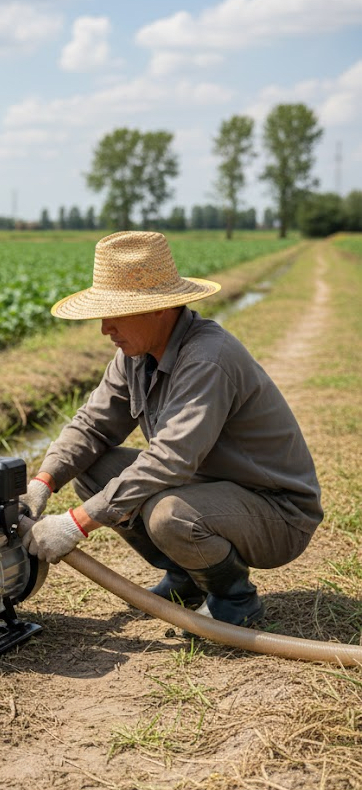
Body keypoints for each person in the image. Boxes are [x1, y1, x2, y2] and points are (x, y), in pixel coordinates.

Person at [20, 231, 322, 628]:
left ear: (158, 308)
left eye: (116, 313)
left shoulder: (207, 359)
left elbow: (170, 461)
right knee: (92, 470)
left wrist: (75, 524)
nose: (105, 328)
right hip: (209, 489)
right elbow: (92, 425)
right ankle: (188, 580)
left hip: (276, 511)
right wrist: (42, 483)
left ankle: (234, 600)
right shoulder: (134, 355)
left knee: (169, 516)